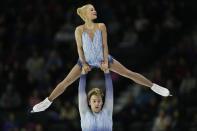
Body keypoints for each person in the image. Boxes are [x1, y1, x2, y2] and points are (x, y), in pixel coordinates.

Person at [31, 4, 170, 113]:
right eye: (92, 10)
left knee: (128, 73)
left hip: (103, 59)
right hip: (84, 61)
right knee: (66, 82)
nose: (94, 11)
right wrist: (84, 64)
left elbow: (105, 45)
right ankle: (47, 101)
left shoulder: (101, 26)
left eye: (94, 9)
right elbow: (79, 48)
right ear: (85, 14)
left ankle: (154, 86)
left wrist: (104, 61)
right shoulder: (78, 29)